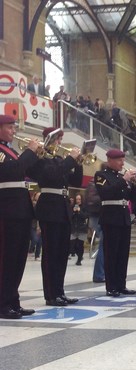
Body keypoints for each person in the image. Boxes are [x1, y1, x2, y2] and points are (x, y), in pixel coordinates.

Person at [30, 127, 83, 306]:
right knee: (51, 254)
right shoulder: (41, 159)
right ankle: (51, 294)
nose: (60, 143)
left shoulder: (59, 159)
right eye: (57, 139)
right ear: (48, 139)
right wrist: (70, 160)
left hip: (62, 207)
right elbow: (51, 175)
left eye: (60, 139)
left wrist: (79, 163)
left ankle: (60, 291)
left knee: (61, 253)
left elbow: (75, 182)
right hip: (49, 206)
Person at [0, 114, 40, 319]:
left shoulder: (12, 151)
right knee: (7, 258)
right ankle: (3, 303)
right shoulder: (1, 152)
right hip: (7, 210)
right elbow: (9, 171)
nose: (14, 131)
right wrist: (29, 152)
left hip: (20, 209)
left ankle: (13, 300)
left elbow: (26, 170)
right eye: (9, 127)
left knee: (18, 259)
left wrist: (37, 155)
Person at [94, 149, 136, 297]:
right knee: (111, 253)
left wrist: (134, 184)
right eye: (119, 160)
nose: (122, 163)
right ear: (110, 160)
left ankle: (121, 284)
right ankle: (111, 286)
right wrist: (124, 180)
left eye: (123, 160)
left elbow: (131, 196)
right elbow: (105, 193)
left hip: (124, 216)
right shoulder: (101, 175)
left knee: (122, 253)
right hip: (110, 217)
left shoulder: (120, 177)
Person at [70, 194, 89, 265]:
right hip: (73, 228)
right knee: (72, 245)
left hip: (82, 229)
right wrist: (74, 212)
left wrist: (79, 211)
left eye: (79, 199)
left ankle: (79, 259)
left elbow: (85, 216)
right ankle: (79, 256)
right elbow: (70, 216)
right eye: (77, 199)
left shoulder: (85, 207)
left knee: (80, 245)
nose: (78, 201)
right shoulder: (72, 207)